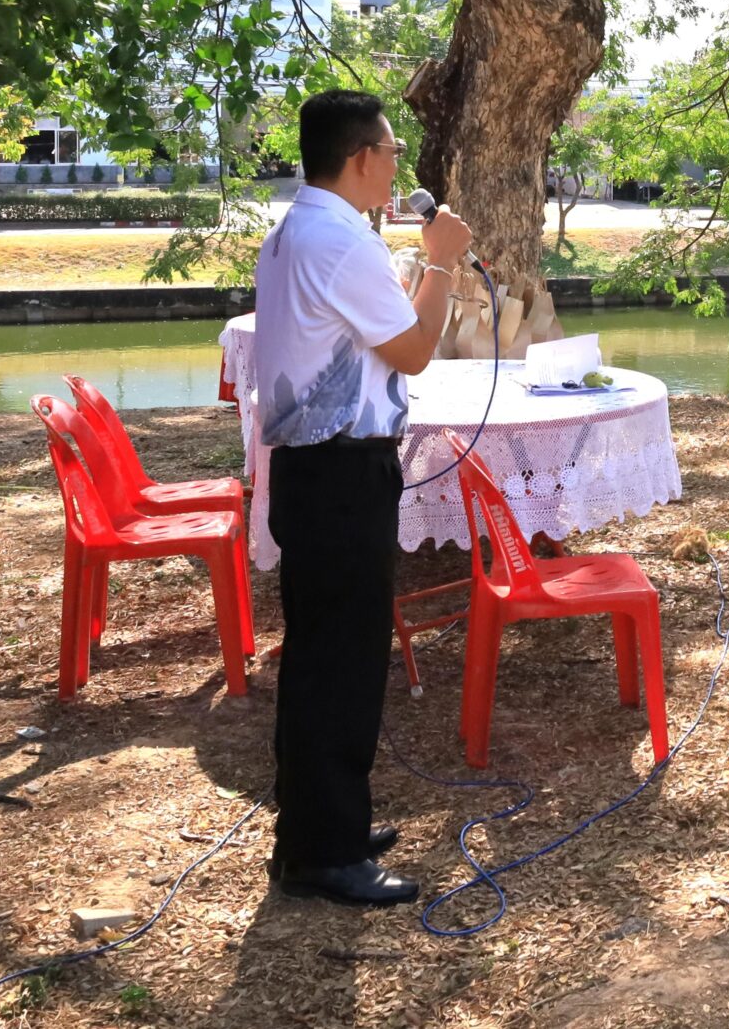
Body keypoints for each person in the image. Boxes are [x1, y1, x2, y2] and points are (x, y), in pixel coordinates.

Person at [254, 89, 471, 906]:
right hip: (341, 474)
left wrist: (421, 269)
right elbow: (413, 350)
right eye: (391, 149)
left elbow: (374, 337)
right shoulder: (343, 242)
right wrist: (442, 261)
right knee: (340, 661)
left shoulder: (298, 230)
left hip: (315, 472)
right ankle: (325, 849)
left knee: (320, 653)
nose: (398, 163)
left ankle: (314, 826)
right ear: (360, 158)